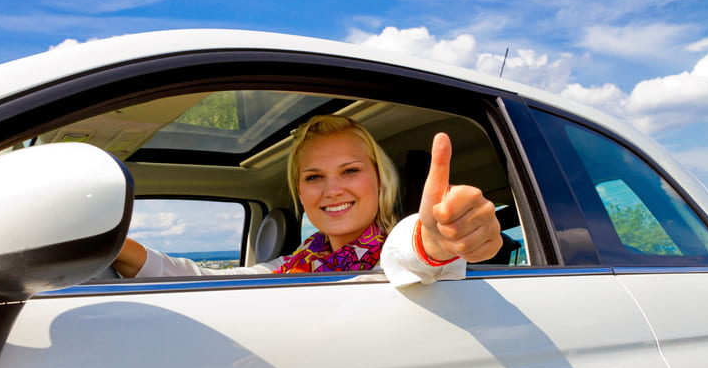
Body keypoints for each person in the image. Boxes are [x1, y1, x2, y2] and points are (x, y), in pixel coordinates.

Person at [112, 115, 502, 287]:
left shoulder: (393, 258)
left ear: (380, 181)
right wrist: (114, 246)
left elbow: (411, 257)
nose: (331, 190)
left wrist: (435, 242)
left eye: (350, 171)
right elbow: (209, 283)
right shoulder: (299, 263)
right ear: (301, 193)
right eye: (314, 177)